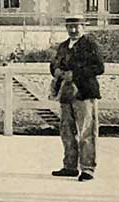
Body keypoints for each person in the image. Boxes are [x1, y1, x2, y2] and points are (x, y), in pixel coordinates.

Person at [50, 15, 104, 182]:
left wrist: (75, 74)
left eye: (76, 26)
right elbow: (54, 64)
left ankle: (87, 169)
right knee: (67, 131)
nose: (73, 30)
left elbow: (99, 67)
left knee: (86, 132)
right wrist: (56, 71)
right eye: (70, 26)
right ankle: (70, 166)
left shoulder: (90, 44)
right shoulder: (63, 46)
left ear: (83, 26)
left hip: (84, 93)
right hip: (66, 94)